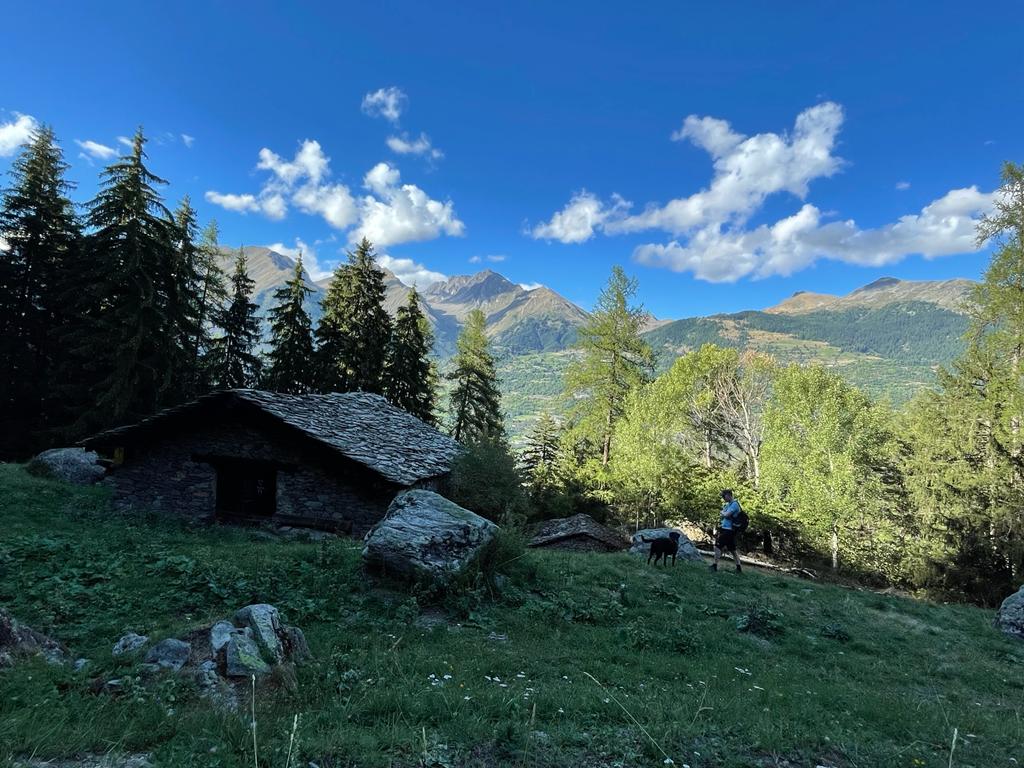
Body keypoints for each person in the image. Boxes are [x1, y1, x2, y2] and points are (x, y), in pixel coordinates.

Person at [710, 489, 742, 573]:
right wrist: (723, 513)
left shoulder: (734, 504)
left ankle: (714, 565)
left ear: (728, 495)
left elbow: (726, 514)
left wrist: (723, 512)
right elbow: (724, 514)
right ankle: (739, 568)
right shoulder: (728, 504)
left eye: (723, 496)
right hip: (726, 529)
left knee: (717, 546)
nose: (723, 498)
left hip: (729, 530)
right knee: (732, 549)